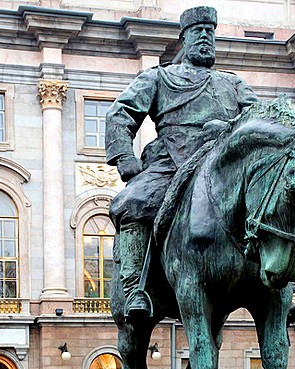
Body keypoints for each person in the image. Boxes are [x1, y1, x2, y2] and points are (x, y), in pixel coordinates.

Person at [106, 6, 258, 321]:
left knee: (270, 203)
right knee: (133, 201)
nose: (206, 38)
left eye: (210, 32)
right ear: (184, 39)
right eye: (198, 32)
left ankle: (281, 282)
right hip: (172, 162)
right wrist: (125, 157)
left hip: (223, 163)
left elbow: (259, 117)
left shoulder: (232, 83)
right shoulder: (160, 76)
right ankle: (137, 288)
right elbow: (120, 113)